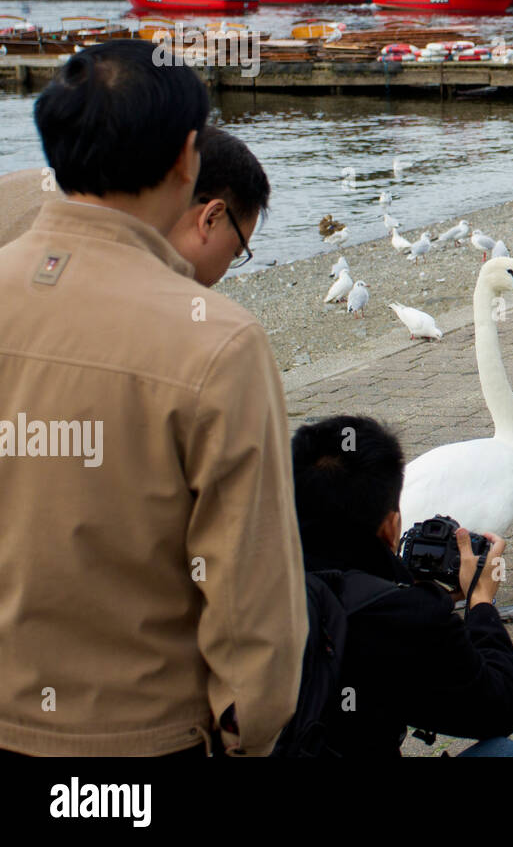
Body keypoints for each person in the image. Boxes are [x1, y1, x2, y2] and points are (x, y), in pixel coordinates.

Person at [0, 42, 305, 756]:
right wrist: (246, 730)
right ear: (184, 160)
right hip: (136, 740)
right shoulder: (218, 343)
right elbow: (251, 599)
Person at [291, 416, 513, 757]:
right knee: (505, 754)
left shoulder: (240, 586)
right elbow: (499, 710)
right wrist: (480, 603)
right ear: (391, 527)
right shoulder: (402, 616)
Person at [0, 126, 268, 285]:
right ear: (211, 217)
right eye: (235, 253)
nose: (222, 275)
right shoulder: (108, 279)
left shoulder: (72, 201)